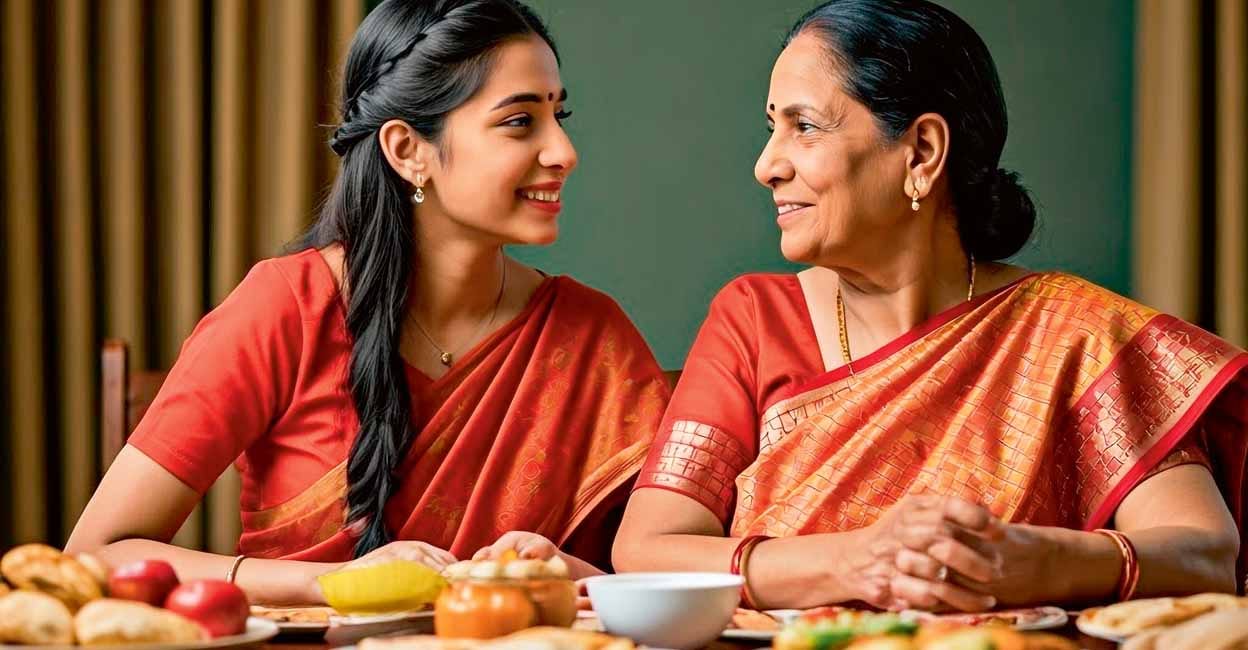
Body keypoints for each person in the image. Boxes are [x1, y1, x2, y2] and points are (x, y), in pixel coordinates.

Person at [613, 0, 1246, 611]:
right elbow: (645, 550)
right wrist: (857, 559)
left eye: (803, 127)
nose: (766, 165)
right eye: (771, 127)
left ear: (920, 152)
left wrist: (1039, 562)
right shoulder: (755, 317)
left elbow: (1205, 556)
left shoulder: (1079, 336)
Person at [67, 0, 669, 604]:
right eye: (519, 121)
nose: (563, 151)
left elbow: (671, 572)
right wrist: (329, 584)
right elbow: (97, 554)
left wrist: (578, 578)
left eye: (559, 115)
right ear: (408, 150)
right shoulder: (288, 307)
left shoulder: (590, 335)